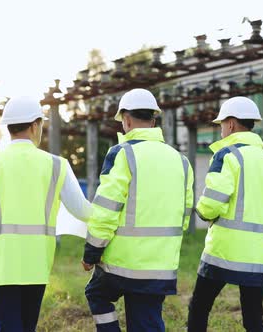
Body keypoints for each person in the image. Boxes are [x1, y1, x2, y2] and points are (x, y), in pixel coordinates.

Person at [0, 96, 91, 332]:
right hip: (36, 263)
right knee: (27, 327)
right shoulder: (56, 165)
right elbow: (82, 210)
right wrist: (113, 209)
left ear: (8, 127)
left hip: (2, 265)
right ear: (35, 125)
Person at [82, 88, 194, 331]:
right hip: (161, 264)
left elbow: (106, 209)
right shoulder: (181, 161)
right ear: (153, 121)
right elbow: (184, 214)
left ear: (126, 119)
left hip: (123, 263)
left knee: (97, 294)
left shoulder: (122, 154)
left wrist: (92, 251)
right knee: (147, 319)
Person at [187, 96, 263, 332]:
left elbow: (212, 203)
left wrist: (202, 211)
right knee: (253, 318)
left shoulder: (227, 156)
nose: (221, 129)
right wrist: (261, 243)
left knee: (200, 307)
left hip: (224, 252)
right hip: (258, 256)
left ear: (231, 124)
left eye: (221, 124)